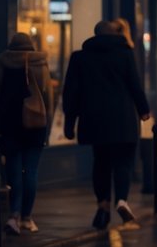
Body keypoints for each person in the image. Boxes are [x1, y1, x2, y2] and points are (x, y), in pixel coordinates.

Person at [63, 19, 151, 229]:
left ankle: (102, 207)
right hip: (122, 119)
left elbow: (71, 92)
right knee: (123, 162)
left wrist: (69, 122)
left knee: (100, 162)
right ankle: (121, 200)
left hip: (94, 119)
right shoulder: (125, 54)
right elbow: (135, 85)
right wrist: (144, 110)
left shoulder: (80, 57)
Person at [0, 33, 53, 234]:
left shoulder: (3, 62)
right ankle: (27, 217)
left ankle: (14, 216)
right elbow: (48, 99)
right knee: (31, 172)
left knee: (14, 171)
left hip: (10, 124)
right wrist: (48, 128)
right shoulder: (40, 62)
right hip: (35, 124)